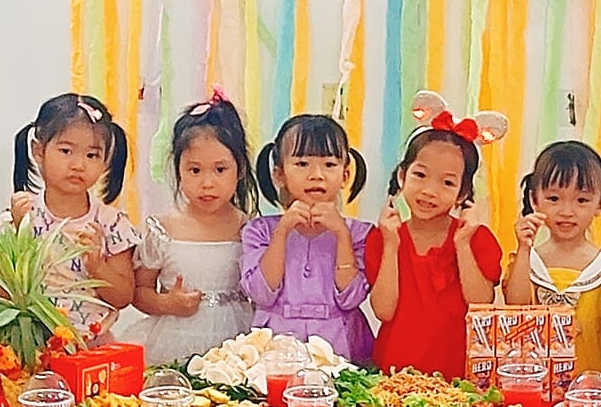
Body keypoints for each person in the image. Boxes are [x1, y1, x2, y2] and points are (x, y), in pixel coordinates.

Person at [367, 116, 502, 377]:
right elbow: (383, 311)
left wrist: (462, 245)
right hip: (395, 373)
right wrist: (391, 246)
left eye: (447, 182)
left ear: (463, 194)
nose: (430, 190)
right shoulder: (383, 238)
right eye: (420, 175)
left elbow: (480, 305)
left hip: (459, 374)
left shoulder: (477, 239)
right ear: (402, 176)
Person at [130, 92, 257, 364]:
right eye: (195, 170)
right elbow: (139, 291)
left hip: (236, 345)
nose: (207, 183)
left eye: (220, 169)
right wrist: (167, 303)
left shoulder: (248, 229)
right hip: (174, 341)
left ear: (240, 169)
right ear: (178, 170)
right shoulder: (163, 228)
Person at [240, 114, 374, 363]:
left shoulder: (360, 233)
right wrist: (282, 232)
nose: (316, 175)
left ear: (345, 175)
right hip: (275, 345)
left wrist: (341, 235)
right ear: (279, 174)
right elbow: (261, 294)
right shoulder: (259, 230)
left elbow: (351, 297)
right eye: (302, 163)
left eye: (329, 164)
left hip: (339, 344)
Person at [9, 93, 138, 339]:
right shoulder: (19, 216)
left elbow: (123, 297)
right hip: (32, 345)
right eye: (66, 150)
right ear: (38, 151)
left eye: (92, 155)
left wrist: (98, 266)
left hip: (93, 344)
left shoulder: (112, 224)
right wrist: (19, 237)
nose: (79, 165)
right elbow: (3, 294)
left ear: (105, 161)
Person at [502, 141, 601, 377]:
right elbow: (516, 308)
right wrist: (524, 248)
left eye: (581, 200)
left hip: (587, 390)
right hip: (530, 387)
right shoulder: (527, 262)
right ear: (534, 199)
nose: (567, 211)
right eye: (554, 199)